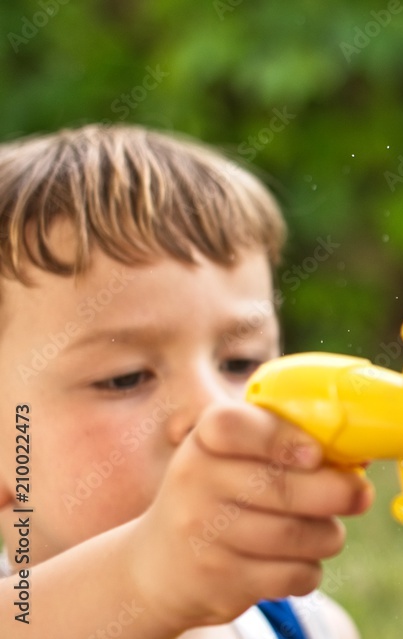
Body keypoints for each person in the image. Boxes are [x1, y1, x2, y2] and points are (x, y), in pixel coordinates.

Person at [0, 124, 374, 638]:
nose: (217, 411)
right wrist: (142, 580)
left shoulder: (310, 624)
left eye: (240, 363)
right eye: (124, 378)